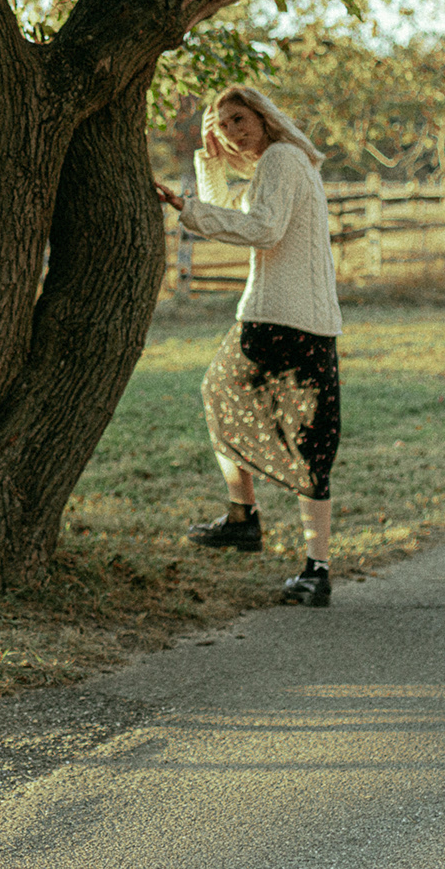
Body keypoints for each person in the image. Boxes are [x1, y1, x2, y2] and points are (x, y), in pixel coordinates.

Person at [154, 86, 345, 607]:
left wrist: (188, 209)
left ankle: (244, 518)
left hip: (274, 319)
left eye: (238, 119)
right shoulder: (289, 163)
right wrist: (209, 161)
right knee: (309, 440)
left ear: (263, 116)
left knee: (220, 394)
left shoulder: (281, 159)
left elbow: (262, 229)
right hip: (313, 325)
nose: (231, 131)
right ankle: (315, 570)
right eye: (222, 125)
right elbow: (229, 214)